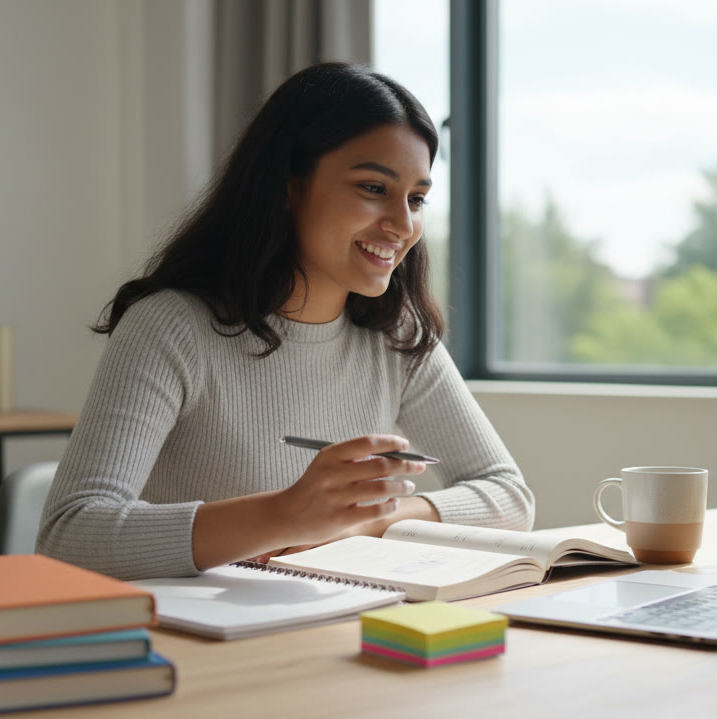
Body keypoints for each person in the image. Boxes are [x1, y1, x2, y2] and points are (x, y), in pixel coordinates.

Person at [38, 62, 534, 580]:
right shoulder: (170, 327)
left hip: (335, 628)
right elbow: (70, 536)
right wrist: (285, 516)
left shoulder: (396, 335)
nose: (402, 225)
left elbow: (508, 495)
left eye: (415, 199)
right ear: (287, 187)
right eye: (372, 188)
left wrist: (358, 521)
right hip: (199, 644)